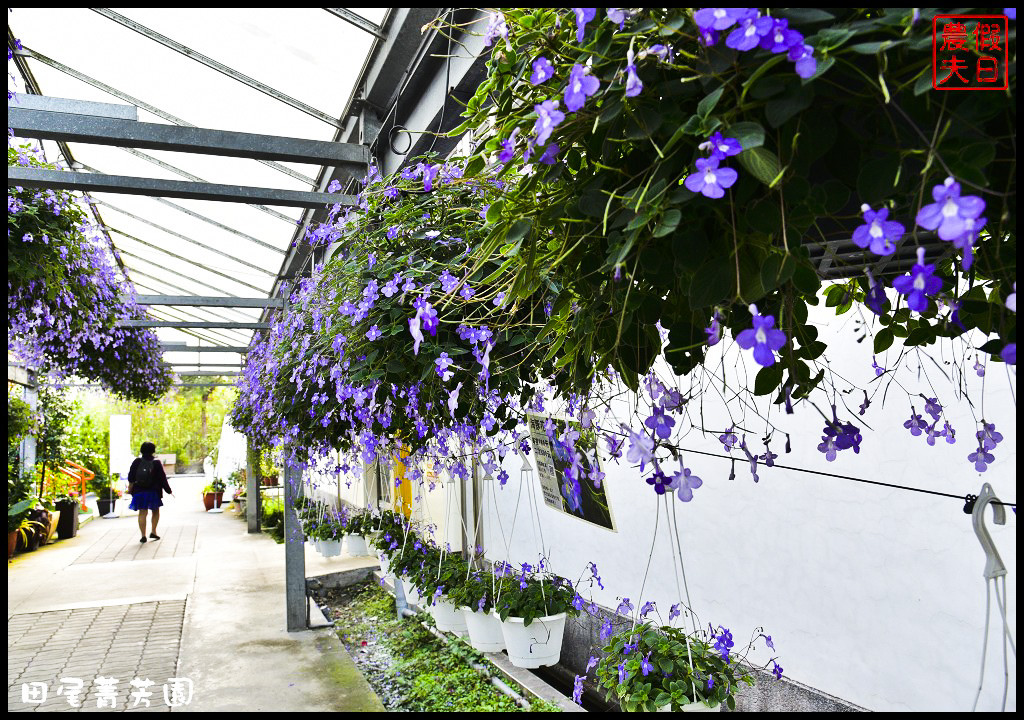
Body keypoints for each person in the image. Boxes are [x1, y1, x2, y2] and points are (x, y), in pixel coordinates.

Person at [126, 442, 173, 543]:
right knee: (155, 511)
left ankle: (143, 535)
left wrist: (130, 489)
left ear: (141, 450)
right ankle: (153, 531)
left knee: (142, 512)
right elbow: (162, 478)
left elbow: (130, 477)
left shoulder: (136, 462)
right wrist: (169, 491)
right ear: (153, 450)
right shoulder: (156, 463)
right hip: (153, 491)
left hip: (139, 491)